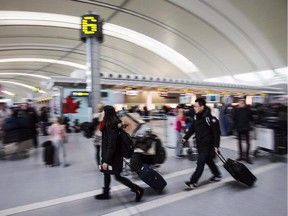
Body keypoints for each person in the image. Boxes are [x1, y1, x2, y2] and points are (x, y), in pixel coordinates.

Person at [95, 105, 144, 202]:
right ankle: (106, 193)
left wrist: (106, 161)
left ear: (107, 114)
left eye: (104, 112)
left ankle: (137, 189)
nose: (102, 114)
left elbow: (111, 145)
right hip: (110, 155)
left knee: (117, 176)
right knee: (106, 173)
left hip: (114, 157)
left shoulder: (110, 126)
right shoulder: (109, 124)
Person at [182, 98, 221, 189]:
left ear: (202, 106)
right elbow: (192, 129)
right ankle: (217, 174)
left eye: (196, 106)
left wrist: (216, 146)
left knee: (200, 163)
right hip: (200, 144)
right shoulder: (197, 116)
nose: (194, 108)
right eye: (194, 106)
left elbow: (216, 133)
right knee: (209, 161)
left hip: (207, 145)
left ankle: (193, 182)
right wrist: (185, 138)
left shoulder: (210, 118)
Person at [233, 100, 254, 164]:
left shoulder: (248, 110)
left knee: (248, 143)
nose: (240, 104)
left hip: (246, 128)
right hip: (239, 128)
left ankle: (247, 157)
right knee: (239, 142)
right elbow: (234, 119)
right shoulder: (236, 110)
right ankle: (241, 156)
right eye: (239, 103)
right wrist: (234, 128)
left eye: (242, 103)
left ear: (244, 104)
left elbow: (251, 119)